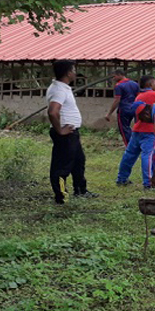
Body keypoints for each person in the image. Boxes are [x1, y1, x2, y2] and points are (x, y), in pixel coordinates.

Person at [46, 60, 98, 204]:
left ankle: (80, 190)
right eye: (74, 69)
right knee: (62, 168)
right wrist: (60, 130)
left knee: (78, 162)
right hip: (65, 134)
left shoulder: (62, 87)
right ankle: (61, 196)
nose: (75, 72)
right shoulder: (59, 90)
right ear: (68, 72)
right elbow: (52, 112)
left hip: (71, 133)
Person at [115, 75, 155, 189]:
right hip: (150, 131)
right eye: (154, 82)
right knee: (148, 156)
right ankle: (148, 183)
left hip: (137, 130)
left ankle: (121, 178)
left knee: (129, 155)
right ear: (150, 84)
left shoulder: (138, 97)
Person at [105, 70, 139, 146]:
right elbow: (138, 97)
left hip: (124, 109)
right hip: (134, 108)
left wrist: (109, 113)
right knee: (137, 127)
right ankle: (136, 145)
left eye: (114, 76)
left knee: (124, 129)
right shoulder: (135, 84)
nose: (113, 78)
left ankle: (129, 146)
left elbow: (117, 100)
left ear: (120, 75)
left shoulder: (119, 86)